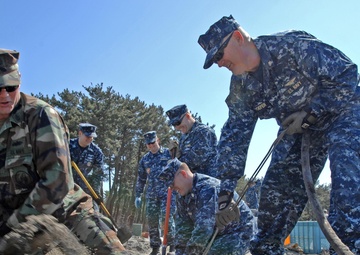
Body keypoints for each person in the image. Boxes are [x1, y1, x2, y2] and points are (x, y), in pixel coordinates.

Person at [198, 15, 360, 254]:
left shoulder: (290, 46)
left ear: (238, 38)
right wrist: (225, 194)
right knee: (276, 192)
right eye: (215, 60)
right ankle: (266, 249)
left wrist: (313, 110)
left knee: (348, 181)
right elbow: (234, 135)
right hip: (298, 129)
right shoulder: (241, 86)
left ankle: (351, 245)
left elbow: (347, 74)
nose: (220, 63)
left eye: (219, 55)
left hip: (343, 111)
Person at [0, 48, 127, 254]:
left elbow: (57, 183)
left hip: (64, 213)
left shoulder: (40, 116)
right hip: (12, 223)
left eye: (11, 87)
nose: (5, 95)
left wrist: (15, 228)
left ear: (19, 81)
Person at [158, 158, 256, 255]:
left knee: (212, 252)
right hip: (216, 235)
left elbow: (204, 229)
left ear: (183, 174)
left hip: (239, 232)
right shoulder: (181, 196)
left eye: (172, 184)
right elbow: (183, 230)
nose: (172, 188)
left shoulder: (208, 188)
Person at [135, 131, 176, 255]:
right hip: (152, 194)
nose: (151, 145)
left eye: (153, 142)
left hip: (167, 193)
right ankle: (155, 247)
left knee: (167, 218)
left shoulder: (169, 154)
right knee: (152, 220)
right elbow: (141, 178)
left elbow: (177, 170)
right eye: (148, 144)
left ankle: (173, 245)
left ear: (158, 140)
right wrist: (138, 194)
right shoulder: (145, 159)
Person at [166, 104, 218, 176]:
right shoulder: (183, 138)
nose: (176, 127)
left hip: (208, 182)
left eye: (177, 122)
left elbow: (195, 159)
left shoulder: (203, 131)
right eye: (173, 124)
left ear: (187, 115)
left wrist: (174, 163)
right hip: (192, 183)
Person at [70, 123, 105, 197]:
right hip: (65, 185)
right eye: (88, 136)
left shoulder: (97, 152)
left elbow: (98, 174)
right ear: (80, 133)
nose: (90, 139)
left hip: (83, 188)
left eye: (92, 137)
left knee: (92, 207)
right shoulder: (67, 145)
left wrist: (96, 192)